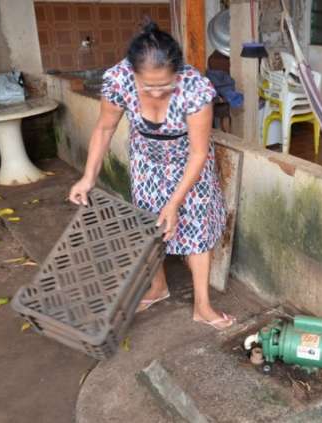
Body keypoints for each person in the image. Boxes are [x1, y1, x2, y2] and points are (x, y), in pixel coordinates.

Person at [68, 21, 234, 330]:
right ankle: (158, 288)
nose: (157, 91)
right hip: (146, 164)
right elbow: (104, 129)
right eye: (148, 86)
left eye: (165, 85)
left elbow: (198, 153)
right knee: (150, 228)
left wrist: (174, 203)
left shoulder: (194, 88)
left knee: (197, 232)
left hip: (189, 166)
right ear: (133, 73)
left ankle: (202, 305)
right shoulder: (118, 81)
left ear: (177, 73)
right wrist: (88, 176)